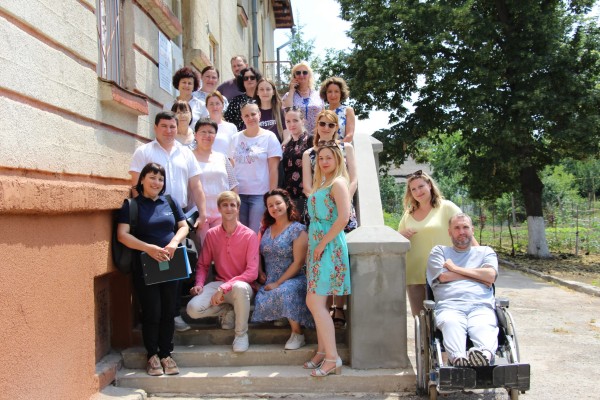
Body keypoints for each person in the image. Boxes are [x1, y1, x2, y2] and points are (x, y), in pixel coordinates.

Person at [129, 111, 207, 332]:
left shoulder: (185, 153)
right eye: (164, 126)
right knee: (155, 266)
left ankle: (174, 314)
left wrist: (202, 214)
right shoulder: (144, 152)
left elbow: (196, 186)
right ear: (155, 128)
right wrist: (144, 214)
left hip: (179, 215)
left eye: (172, 126)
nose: (169, 130)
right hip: (151, 215)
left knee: (178, 268)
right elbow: (135, 187)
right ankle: (154, 316)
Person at [117, 162, 189, 376]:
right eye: (152, 177)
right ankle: (152, 356)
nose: (157, 182)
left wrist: (174, 243)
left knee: (169, 311)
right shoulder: (132, 205)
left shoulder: (170, 202)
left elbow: (184, 226)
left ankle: (166, 354)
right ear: (142, 180)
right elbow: (122, 235)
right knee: (152, 311)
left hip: (171, 263)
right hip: (146, 266)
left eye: (160, 179)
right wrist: (148, 248)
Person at [302, 110, 358, 327]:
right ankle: (322, 309)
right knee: (321, 261)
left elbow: (353, 178)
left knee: (336, 258)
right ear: (316, 126)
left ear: (337, 127)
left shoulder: (346, 148)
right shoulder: (310, 153)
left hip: (341, 207)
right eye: (322, 123)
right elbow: (308, 186)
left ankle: (339, 308)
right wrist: (321, 200)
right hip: (319, 211)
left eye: (331, 124)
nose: (326, 128)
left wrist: (343, 200)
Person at [186, 191, 259, 353]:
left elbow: (252, 273)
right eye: (225, 205)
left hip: (243, 287)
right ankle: (227, 310)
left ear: (238, 208)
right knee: (193, 309)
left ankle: (241, 335)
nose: (229, 208)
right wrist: (199, 284)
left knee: (239, 287)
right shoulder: (211, 234)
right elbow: (203, 265)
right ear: (219, 208)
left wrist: (224, 287)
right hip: (220, 284)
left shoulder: (250, 235)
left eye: (233, 205)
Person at [304, 143, 351, 377]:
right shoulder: (321, 184)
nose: (323, 162)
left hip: (329, 246)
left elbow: (344, 218)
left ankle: (333, 358)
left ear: (337, 160)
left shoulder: (338, 183)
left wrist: (322, 243)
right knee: (316, 302)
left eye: (328, 158)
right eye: (320, 158)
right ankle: (323, 352)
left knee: (314, 301)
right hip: (318, 245)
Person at [427, 213, 499, 367]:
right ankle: (458, 359)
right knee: (451, 323)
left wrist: (454, 268)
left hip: (480, 305)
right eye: (457, 228)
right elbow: (443, 277)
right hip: (449, 305)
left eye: (465, 227)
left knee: (483, 324)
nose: (461, 232)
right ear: (449, 232)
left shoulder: (485, 252)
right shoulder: (439, 252)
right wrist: (479, 276)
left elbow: (490, 275)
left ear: (472, 230)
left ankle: (484, 356)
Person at [397, 170, 471, 316]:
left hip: (443, 272)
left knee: (446, 316)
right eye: (413, 189)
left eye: (421, 186)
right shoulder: (408, 214)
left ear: (429, 185)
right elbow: (396, 239)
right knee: (420, 318)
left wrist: (480, 256)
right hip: (415, 274)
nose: (418, 192)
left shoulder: (447, 207)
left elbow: (465, 231)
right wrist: (402, 235)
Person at [251, 189, 313, 350]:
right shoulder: (265, 229)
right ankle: (283, 314)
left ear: (287, 204)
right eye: (270, 205)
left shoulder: (298, 230)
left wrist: (278, 283)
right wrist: (260, 272)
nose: (275, 207)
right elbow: (256, 253)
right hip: (270, 280)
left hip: (294, 279)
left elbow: (298, 263)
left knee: (285, 291)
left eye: (278, 203)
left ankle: (297, 334)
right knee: (262, 296)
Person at [230, 102, 282, 233]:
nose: (250, 118)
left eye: (253, 114)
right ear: (242, 118)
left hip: (260, 195)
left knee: (254, 232)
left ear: (259, 115)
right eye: (246, 115)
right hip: (238, 194)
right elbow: (231, 167)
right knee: (240, 233)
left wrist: (272, 195)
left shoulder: (269, 137)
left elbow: (273, 169)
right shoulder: (235, 138)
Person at [191, 118, 238, 246]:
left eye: (211, 132)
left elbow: (233, 185)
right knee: (204, 251)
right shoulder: (188, 157)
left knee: (223, 249)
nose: (207, 135)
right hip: (199, 213)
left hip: (222, 213)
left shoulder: (222, 157)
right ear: (195, 134)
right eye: (203, 132)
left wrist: (235, 211)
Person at [282, 107, 313, 219]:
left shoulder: (311, 140)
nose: (291, 124)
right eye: (288, 121)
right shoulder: (286, 145)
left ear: (302, 121)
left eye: (295, 120)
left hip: (307, 194)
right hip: (289, 195)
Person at [282, 61, 324, 133]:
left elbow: (323, 114)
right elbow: (287, 111)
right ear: (294, 76)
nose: (301, 75)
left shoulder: (318, 95)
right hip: (297, 135)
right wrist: (292, 90)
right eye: (298, 73)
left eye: (305, 72)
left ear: (309, 75)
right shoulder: (288, 95)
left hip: (317, 134)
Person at [223, 67, 262, 131]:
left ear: (257, 80)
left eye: (252, 77)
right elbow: (227, 121)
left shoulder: (263, 99)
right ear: (242, 82)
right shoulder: (235, 101)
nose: (249, 80)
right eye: (246, 78)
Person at [320, 77, 356, 143]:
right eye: (329, 91)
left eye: (336, 91)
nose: (333, 95)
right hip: (324, 148)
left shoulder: (348, 110)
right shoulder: (323, 113)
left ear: (341, 93)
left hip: (342, 148)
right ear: (325, 94)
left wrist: (335, 147)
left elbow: (349, 136)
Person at [254, 78, 288, 143]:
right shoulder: (252, 113)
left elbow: (287, 136)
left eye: (268, 89)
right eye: (261, 89)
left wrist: (281, 147)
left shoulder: (281, 112)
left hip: (278, 148)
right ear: (257, 92)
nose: (265, 92)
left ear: (273, 92)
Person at [205, 91, 237, 158]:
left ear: (222, 105)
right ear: (206, 107)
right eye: (211, 104)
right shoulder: (202, 127)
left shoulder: (231, 127)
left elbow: (234, 152)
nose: (214, 107)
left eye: (217, 103)